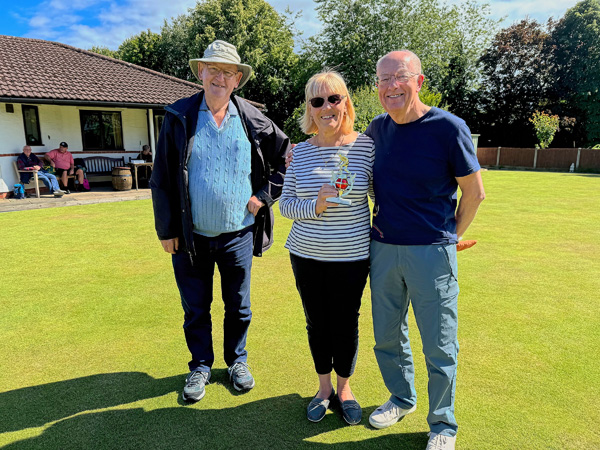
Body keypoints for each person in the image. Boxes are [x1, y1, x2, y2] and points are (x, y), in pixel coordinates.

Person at [150, 40, 290, 402]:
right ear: (201, 73)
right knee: (196, 308)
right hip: (189, 237)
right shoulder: (178, 115)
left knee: (238, 306)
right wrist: (166, 229)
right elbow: (162, 176)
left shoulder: (252, 117)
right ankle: (200, 366)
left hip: (238, 235)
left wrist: (263, 196)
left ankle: (236, 362)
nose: (220, 77)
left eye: (228, 72)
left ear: (237, 80)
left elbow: (286, 159)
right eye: (213, 69)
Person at [366, 50, 485, 450]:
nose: (390, 86)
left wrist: (450, 236)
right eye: (382, 80)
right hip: (382, 249)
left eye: (399, 77)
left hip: (431, 253)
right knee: (386, 335)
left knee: (439, 344)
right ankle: (401, 399)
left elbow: (475, 192)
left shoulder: (449, 128)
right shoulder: (376, 129)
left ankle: (443, 426)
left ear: (418, 81)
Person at [279, 71, 375, 425]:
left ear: (345, 102)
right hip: (305, 255)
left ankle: (345, 388)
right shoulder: (299, 152)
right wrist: (314, 207)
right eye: (317, 101)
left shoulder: (365, 146)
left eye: (333, 98)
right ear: (310, 109)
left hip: (351, 257)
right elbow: (285, 204)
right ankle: (323, 389)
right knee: (316, 323)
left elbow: (382, 198)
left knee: (346, 324)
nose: (326, 107)